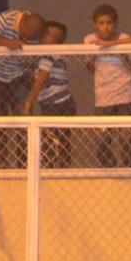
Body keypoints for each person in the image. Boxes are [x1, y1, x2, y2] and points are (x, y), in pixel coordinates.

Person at [0, 8, 53, 168]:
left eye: (31, 38)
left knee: (24, 121)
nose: (26, 39)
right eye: (24, 34)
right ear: (22, 22)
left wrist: (29, 99)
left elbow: (44, 67)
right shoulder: (6, 18)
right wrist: (4, 42)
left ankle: (26, 167)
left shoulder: (40, 35)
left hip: (18, 76)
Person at [82, 3, 131, 168]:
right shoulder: (89, 40)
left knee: (126, 138)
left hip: (125, 95)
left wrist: (123, 55)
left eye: (109, 23)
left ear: (115, 23)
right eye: (101, 23)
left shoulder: (124, 38)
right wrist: (92, 56)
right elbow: (90, 68)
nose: (106, 27)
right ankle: (108, 170)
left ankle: (128, 169)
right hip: (103, 97)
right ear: (95, 24)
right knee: (102, 139)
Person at [24, 21, 76, 168]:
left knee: (52, 137)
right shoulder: (50, 55)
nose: (43, 37)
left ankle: (54, 167)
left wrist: (28, 101)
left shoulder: (47, 54)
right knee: (59, 138)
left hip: (57, 103)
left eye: (49, 35)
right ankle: (61, 165)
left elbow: (42, 77)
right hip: (58, 101)